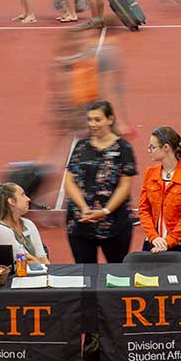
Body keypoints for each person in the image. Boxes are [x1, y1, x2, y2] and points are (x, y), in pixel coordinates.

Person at [64, 100, 137, 263]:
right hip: (80, 225)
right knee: (86, 276)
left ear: (110, 119)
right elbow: (69, 181)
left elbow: (124, 186)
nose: (93, 124)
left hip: (115, 225)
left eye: (98, 119)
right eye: (89, 119)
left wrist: (105, 211)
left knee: (117, 274)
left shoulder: (124, 149)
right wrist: (84, 208)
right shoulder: (81, 147)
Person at [138, 126, 181, 261]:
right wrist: (154, 237)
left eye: (152, 147)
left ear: (166, 148)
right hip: (154, 243)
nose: (149, 150)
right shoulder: (149, 173)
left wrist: (168, 241)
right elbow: (144, 210)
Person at [0, 183, 49, 263]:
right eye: (23, 195)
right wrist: (39, 264)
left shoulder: (28, 224)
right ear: (12, 201)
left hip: (35, 274)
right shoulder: (0, 230)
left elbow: (42, 258)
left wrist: (47, 271)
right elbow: (22, 261)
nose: (28, 199)